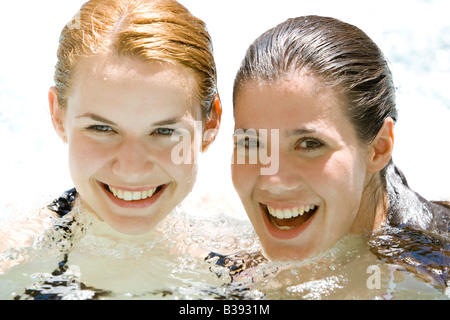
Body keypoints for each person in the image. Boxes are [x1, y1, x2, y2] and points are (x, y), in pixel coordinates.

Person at [0, 0, 221, 298]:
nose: (131, 168)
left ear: (210, 125)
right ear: (58, 116)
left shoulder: (247, 259)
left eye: (165, 131)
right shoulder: (13, 263)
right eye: (102, 128)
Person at [231, 15, 450, 289]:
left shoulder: (429, 276)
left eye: (310, 144)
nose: (273, 181)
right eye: (252, 143)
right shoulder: (233, 265)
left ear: (378, 149)